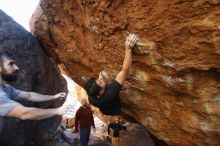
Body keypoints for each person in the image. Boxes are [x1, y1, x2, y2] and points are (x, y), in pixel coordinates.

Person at [0, 51, 69, 120]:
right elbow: (24, 113)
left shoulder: (6, 88)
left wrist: (54, 97)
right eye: (11, 64)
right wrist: (57, 111)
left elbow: (30, 96)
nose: (16, 68)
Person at [84, 33, 138, 115]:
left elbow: (92, 90)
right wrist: (128, 48)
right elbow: (124, 71)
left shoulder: (91, 97)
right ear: (100, 93)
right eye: (101, 82)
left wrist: (99, 81)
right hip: (114, 110)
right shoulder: (110, 94)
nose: (102, 79)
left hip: (104, 110)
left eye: (98, 80)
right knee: (118, 110)